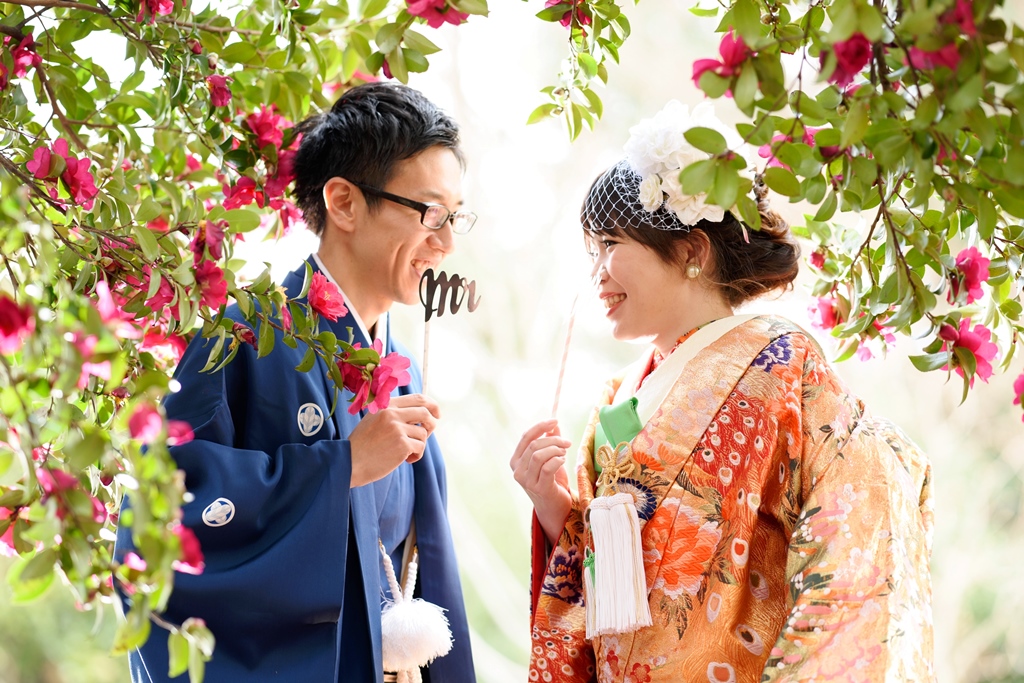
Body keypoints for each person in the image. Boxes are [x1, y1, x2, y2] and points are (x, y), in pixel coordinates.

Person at [510, 101, 934, 682]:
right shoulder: (619, 392)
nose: (597, 272)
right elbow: (605, 586)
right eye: (593, 251)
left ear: (690, 251)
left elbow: (853, 519)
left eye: (611, 244)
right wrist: (552, 504)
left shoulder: (781, 362)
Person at [115, 83, 477, 682]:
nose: (446, 242)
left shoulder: (402, 369)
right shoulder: (243, 336)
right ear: (344, 202)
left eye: (455, 217)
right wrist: (339, 469)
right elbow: (160, 524)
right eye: (430, 213)